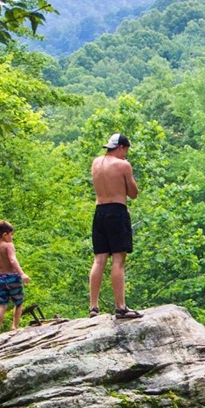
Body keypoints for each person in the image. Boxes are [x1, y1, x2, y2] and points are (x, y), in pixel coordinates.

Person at [89, 132, 142, 319]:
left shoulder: (96, 163)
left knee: (99, 259)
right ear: (121, 147)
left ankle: (93, 306)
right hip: (117, 212)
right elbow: (133, 193)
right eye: (125, 150)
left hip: (99, 212)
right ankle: (120, 307)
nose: (125, 154)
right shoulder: (123, 165)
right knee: (118, 260)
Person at [0, 220, 29, 335]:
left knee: (1, 305)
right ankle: (14, 326)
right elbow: (13, 260)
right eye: (11, 234)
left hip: (1, 278)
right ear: (4, 235)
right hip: (13, 277)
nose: (12, 237)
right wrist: (22, 274)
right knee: (19, 302)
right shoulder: (9, 246)